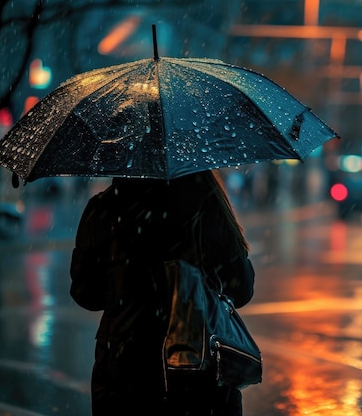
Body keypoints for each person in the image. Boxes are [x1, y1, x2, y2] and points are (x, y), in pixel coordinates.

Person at [69, 170, 255, 416]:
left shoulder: (105, 208)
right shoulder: (207, 204)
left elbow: (86, 293)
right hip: (198, 365)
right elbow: (240, 290)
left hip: (124, 368)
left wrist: (124, 284)